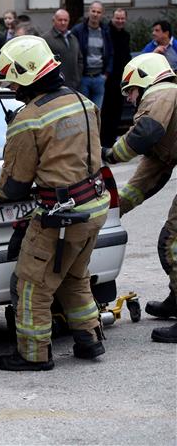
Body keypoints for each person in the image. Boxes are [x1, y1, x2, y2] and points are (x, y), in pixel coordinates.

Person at [0, 35, 109, 371]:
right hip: (94, 208)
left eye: (12, 79)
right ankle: (90, 339)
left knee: (31, 285)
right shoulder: (82, 101)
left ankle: (33, 354)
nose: (11, 87)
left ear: (27, 73)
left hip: (60, 217)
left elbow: (14, 185)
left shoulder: (29, 119)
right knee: (73, 276)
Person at [101, 53, 177, 343]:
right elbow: (144, 180)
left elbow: (144, 133)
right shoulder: (169, 115)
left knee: (172, 241)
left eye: (130, 91)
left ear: (146, 78)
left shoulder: (163, 93)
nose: (131, 100)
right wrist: (109, 210)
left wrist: (110, 154)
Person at [70, 1, 114, 108]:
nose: (95, 14)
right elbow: (72, 52)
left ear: (102, 14)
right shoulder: (78, 30)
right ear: (88, 12)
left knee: (97, 112)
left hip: (99, 78)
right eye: (93, 11)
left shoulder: (105, 31)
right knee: (83, 111)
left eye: (98, 12)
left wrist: (106, 74)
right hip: (83, 78)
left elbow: (111, 53)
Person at [101, 8, 132, 146]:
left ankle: (112, 139)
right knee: (106, 110)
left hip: (121, 79)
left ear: (125, 19)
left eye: (122, 18)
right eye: (117, 18)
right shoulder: (106, 33)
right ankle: (104, 141)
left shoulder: (126, 35)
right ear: (112, 18)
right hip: (108, 79)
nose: (120, 21)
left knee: (117, 111)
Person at [43, 9, 83, 93]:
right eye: (60, 20)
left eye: (65, 20)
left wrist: (77, 77)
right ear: (54, 21)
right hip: (55, 87)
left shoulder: (73, 38)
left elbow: (80, 59)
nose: (63, 23)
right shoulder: (45, 39)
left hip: (74, 85)